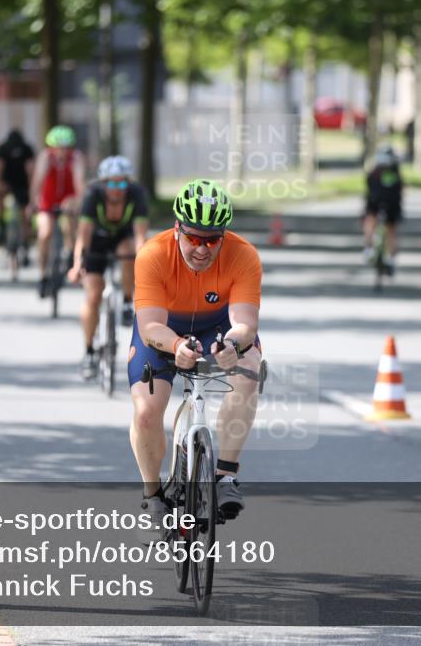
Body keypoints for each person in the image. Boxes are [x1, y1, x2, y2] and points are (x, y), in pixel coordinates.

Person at [128, 179, 262, 525]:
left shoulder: (244, 255)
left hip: (217, 327)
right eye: (193, 239)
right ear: (177, 229)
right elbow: (150, 326)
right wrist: (176, 346)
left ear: (224, 236)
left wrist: (233, 345)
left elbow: (245, 323)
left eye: (212, 240)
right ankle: (152, 497)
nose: (202, 249)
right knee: (146, 413)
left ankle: (226, 475)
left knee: (250, 368)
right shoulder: (153, 254)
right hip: (163, 330)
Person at [67, 156, 149, 380]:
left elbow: (140, 236)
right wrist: (77, 264)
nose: (116, 189)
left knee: (129, 252)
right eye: (112, 183)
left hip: (123, 239)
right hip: (96, 242)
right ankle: (89, 352)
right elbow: (83, 235)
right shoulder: (92, 195)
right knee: (93, 295)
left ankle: (127, 301)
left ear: (128, 183)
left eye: (121, 183)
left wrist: (144, 263)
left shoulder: (137, 194)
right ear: (103, 183)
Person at [30, 125, 86, 298]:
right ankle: (42, 275)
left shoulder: (76, 158)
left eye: (66, 148)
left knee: (72, 227)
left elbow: (79, 182)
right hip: (47, 201)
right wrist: (33, 202)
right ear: (51, 147)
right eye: (58, 148)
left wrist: (77, 201)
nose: (62, 151)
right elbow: (38, 181)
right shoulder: (46, 158)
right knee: (44, 233)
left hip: (69, 199)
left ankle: (70, 253)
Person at [362, 145, 404, 275]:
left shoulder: (374, 171)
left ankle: (370, 248)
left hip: (379, 204)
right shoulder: (394, 171)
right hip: (387, 204)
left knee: (372, 221)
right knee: (389, 229)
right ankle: (389, 258)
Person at [0, 130, 35, 257]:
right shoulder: (26, 148)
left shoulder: (4, 148)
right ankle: (24, 239)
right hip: (17, 184)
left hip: (15, 184)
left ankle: (1, 221)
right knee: (23, 213)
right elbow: (30, 170)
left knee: (1, 198)